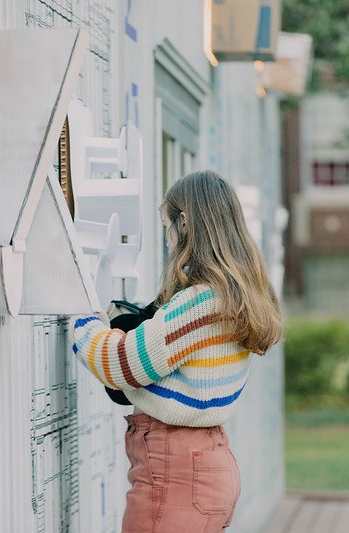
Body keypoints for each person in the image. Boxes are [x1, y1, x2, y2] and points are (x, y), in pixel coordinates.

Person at [69, 170, 282, 532]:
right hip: (207, 462)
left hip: (176, 474)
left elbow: (123, 366)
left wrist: (83, 318)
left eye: (166, 226)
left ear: (183, 222)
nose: (167, 240)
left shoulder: (201, 301)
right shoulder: (233, 294)